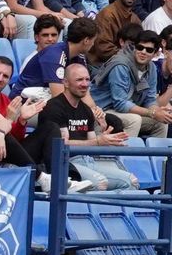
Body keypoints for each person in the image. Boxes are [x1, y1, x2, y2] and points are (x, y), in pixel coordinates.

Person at [31, 63, 137, 192]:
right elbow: (61, 145)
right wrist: (97, 142)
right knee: (100, 183)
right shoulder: (53, 107)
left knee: (131, 181)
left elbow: (91, 144)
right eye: (79, 80)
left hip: (87, 161)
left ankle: (109, 212)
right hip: (65, 163)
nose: (85, 84)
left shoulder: (86, 109)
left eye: (87, 79)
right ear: (66, 83)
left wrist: (106, 140)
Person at [92, 29, 172, 138]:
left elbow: (150, 99)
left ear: (155, 53)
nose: (143, 52)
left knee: (161, 122)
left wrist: (157, 110)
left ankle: (158, 155)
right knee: (134, 120)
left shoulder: (152, 68)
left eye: (149, 50)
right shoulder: (120, 65)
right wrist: (152, 113)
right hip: (101, 110)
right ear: (134, 47)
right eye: (140, 47)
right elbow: (120, 103)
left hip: (121, 111)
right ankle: (125, 155)